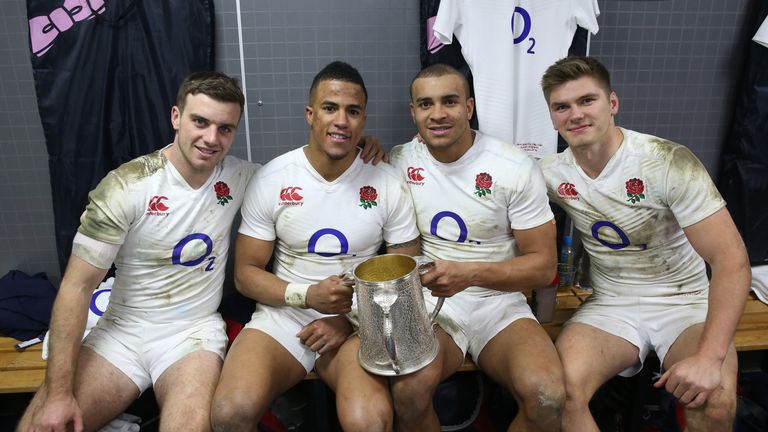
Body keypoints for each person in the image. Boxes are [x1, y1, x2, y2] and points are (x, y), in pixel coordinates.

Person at [18, 71, 384, 432]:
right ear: (176, 117)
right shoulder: (126, 187)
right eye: (200, 122)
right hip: (122, 331)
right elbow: (76, 288)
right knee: (42, 426)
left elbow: (308, 177)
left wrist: (356, 148)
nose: (211, 139)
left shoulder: (244, 178)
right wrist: (57, 394)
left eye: (225, 128)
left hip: (191, 335)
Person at [538, 56, 751, 431]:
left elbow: (731, 260)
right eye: (562, 106)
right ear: (552, 117)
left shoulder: (667, 162)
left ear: (612, 103)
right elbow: (493, 189)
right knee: (561, 393)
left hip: (684, 302)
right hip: (612, 302)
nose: (575, 114)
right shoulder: (552, 173)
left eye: (587, 100)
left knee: (714, 397)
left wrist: (710, 358)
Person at [209, 61, 420, 432]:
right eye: (329, 108)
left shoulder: (387, 181)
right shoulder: (273, 177)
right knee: (230, 412)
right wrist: (307, 297)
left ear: (363, 120)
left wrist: (348, 318)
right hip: (283, 316)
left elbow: (406, 278)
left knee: (369, 421)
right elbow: (245, 275)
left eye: (352, 111)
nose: (341, 120)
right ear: (310, 114)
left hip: (358, 322)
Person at [385, 64, 564, 431]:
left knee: (547, 395)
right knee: (409, 391)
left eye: (449, 101)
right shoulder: (397, 160)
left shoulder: (514, 166)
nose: (437, 114)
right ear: (413, 112)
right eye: (425, 104)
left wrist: (471, 274)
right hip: (432, 304)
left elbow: (544, 268)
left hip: (498, 301)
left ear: (469, 107)